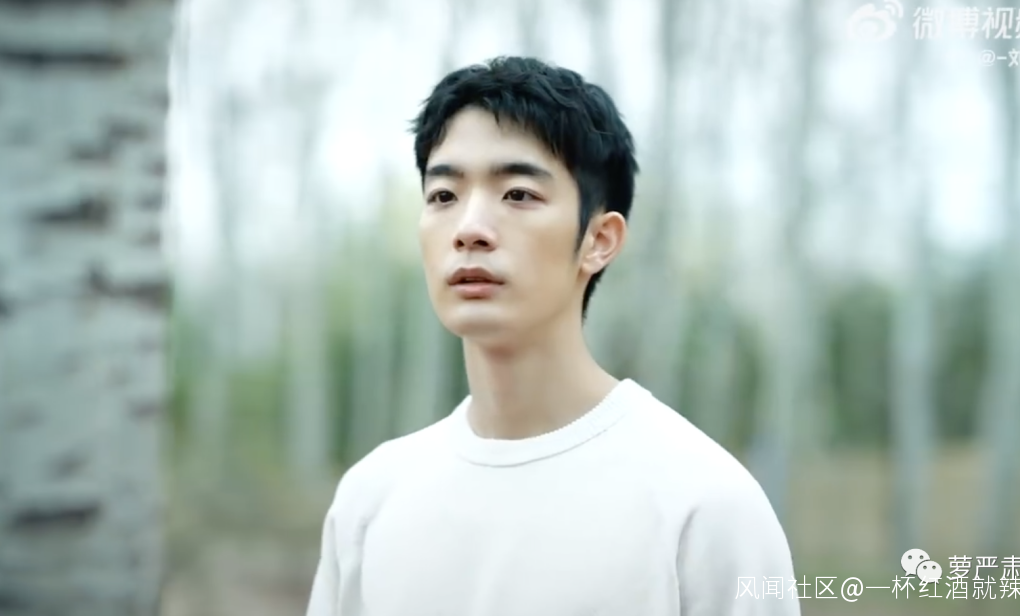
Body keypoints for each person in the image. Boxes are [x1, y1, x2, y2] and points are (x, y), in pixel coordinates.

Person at [305, 56, 800, 616]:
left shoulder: (704, 507)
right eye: (443, 195)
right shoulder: (371, 499)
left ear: (599, 240)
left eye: (518, 194)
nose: (469, 229)